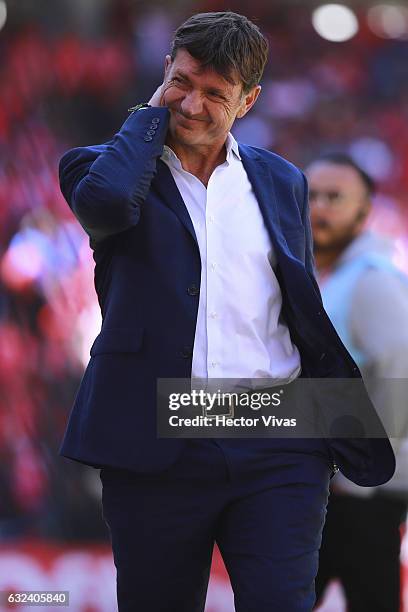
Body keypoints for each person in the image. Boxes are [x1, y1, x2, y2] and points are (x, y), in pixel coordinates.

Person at [58, 12, 395, 612]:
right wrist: (147, 116)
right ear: (165, 72)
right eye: (183, 82)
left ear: (249, 100)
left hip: (280, 431)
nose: (191, 105)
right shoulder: (102, 168)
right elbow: (105, 206)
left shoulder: (283, 179)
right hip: (159, 436)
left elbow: (296, 303)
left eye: (216, 94)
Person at [306, 153, 408, 612]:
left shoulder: (370, 281)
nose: (319, 208)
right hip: (334, 484)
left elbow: (400, 367)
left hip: (357, 493)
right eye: (310, 196)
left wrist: (368, 466)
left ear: (364, 212)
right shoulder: (327, 277)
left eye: (334, 198)